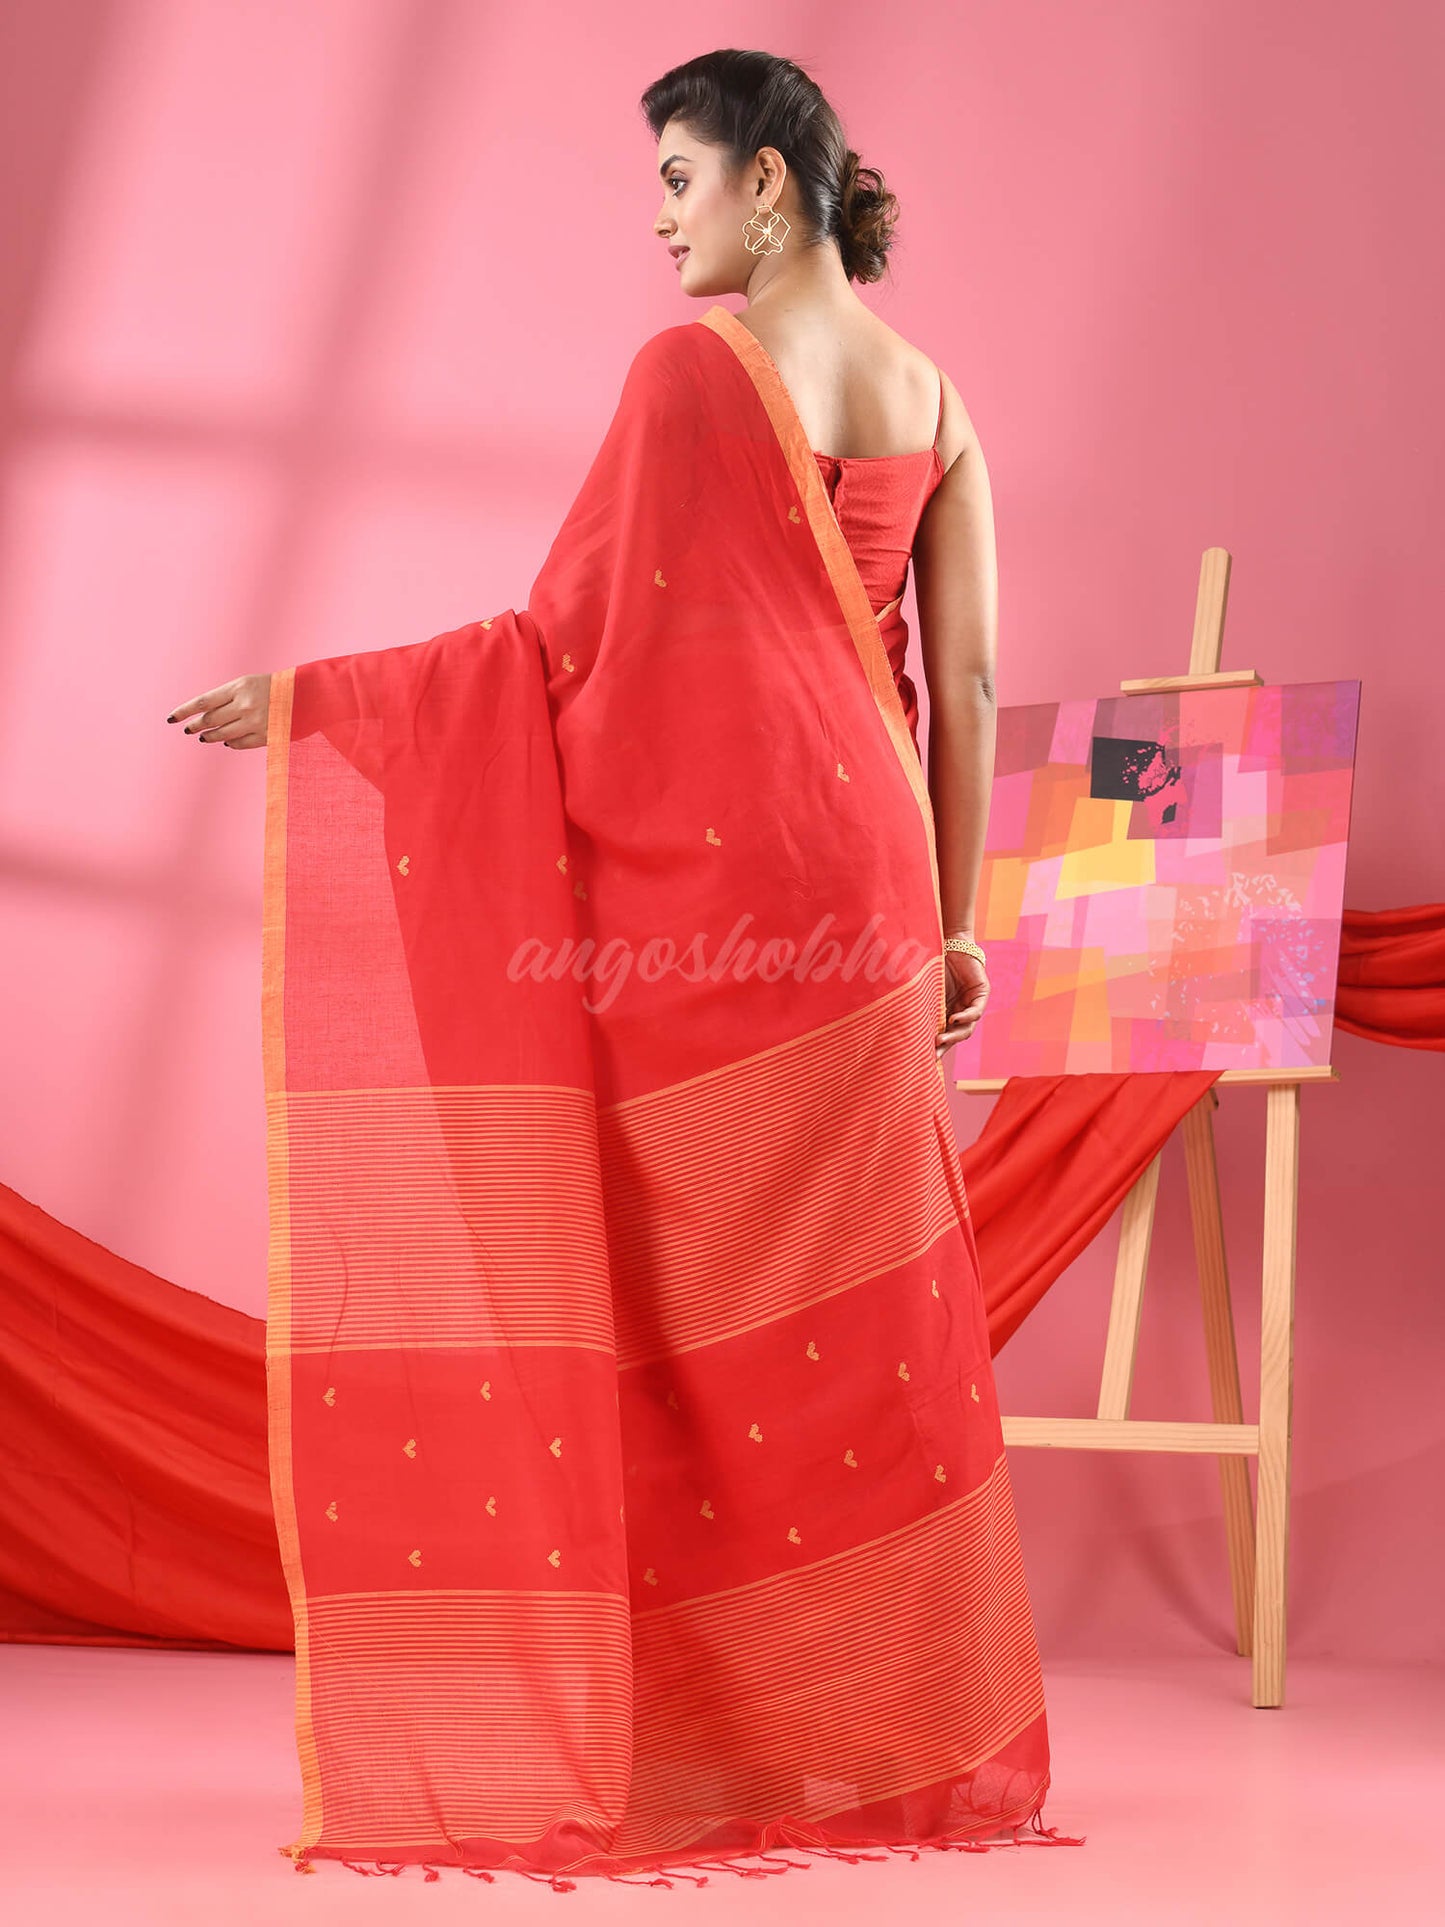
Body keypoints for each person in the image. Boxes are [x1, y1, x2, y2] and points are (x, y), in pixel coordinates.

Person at [166, 46, 1074, 1889]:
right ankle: (867, 1733)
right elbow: (970, 680)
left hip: (716, 895)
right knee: (856, 1327)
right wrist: (957, 920)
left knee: (665, 1296)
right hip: (871, 893)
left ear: (767, 181)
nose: (658, 219)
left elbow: (567, 647)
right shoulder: (932, 396)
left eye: (677, 176)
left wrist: (329, 702)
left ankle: (689, 1730)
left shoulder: (690, 373)